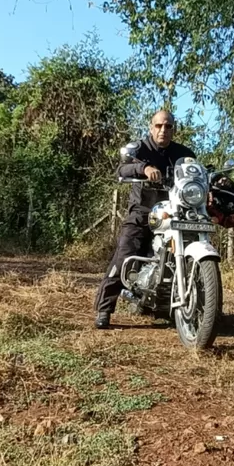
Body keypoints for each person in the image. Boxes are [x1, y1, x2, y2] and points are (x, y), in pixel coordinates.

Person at [94, 109, 195, 329]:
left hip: (172, 213)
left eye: (168, 126)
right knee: (124, 255)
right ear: (151, 128)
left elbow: (195, 172)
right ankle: (104, 309)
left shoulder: (183, 153)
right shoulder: (140, 148)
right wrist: (144, 167)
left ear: (173, 129)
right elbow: (122, 168)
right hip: (142, 212)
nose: (163, 130)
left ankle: (200, 307)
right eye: (159, 126)